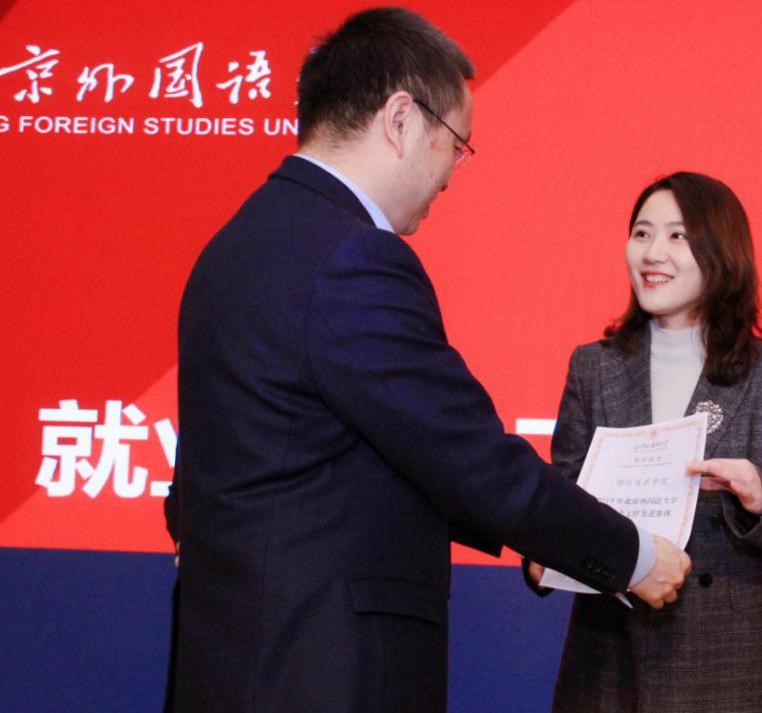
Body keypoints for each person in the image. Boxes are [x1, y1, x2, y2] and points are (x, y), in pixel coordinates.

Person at [163, 8, 691, 713]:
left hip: (234, 661)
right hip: (321, 669)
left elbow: (224, 476)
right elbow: (466, 454)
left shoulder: (236, 244)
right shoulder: (352, 258)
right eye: (457, 144)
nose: (451, 174)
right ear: (401, 120)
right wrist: (632, 556)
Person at [525, 172, 762, 712]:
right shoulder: (595, 368)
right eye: (642, 233)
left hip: (722, 664)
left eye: (677, 235)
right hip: (608, 657)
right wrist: (540, 554)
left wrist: (759, 491)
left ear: (722, 252)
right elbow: (560, 498)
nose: (653, 253)